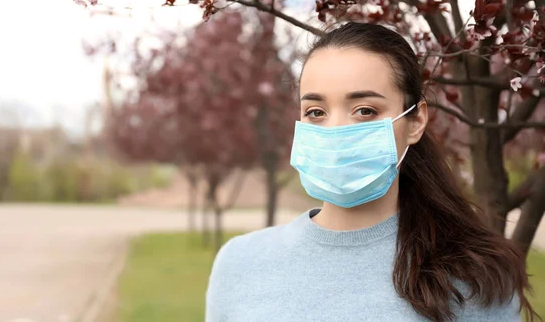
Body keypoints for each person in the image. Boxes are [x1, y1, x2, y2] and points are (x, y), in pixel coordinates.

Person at [205, 22, 537, 321]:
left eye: (365, 110)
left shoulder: (473, 278)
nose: (336, 129)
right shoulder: (238, 263)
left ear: (416, 121)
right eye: (316, 111)